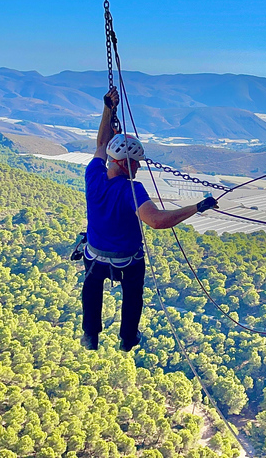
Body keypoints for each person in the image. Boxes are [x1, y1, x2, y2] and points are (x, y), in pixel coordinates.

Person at [81, 86, 219, 351]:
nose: (140, 166)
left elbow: (101, 144)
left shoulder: (93, 175)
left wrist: (108, 109)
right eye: (136, 163)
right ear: (124, 163)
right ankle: (128, 337)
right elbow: (155, 221)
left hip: (95, 255)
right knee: (133, 295)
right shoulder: (131, 189)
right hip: (126, 260)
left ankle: (90, 334)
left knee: (92, 287)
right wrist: (196, 208)